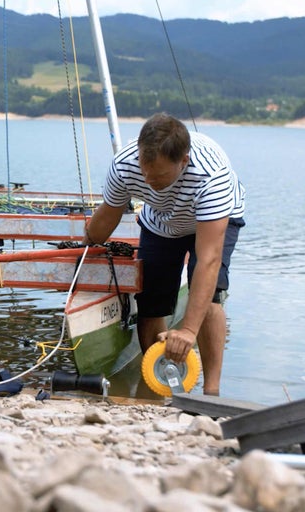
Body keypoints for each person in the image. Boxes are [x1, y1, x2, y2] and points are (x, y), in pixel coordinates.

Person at [84, 113, 245, 396]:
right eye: (145, 172)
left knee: (209, 297)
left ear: (183, 161)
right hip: (161, 221)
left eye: (158, 176)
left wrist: (188, 331)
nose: (148, 181)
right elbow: (107, 217)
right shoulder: (125, 165)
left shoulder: (211, 176)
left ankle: (212, 394)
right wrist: (84, 249)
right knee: (151, 303)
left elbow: (208, 260)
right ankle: (156, 386)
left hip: (213, 221)